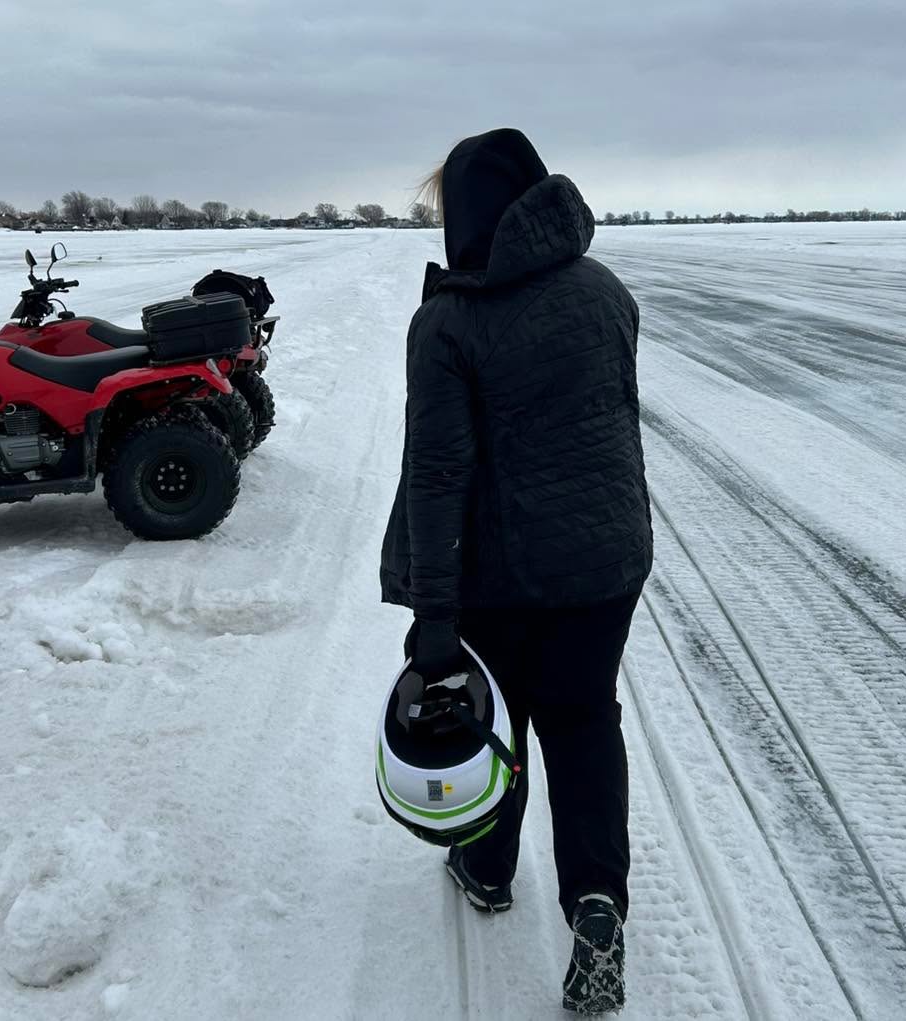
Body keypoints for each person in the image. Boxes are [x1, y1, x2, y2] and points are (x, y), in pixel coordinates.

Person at [380, 127, 652, 1015]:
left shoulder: (449, 321)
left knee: (499, 723)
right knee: (582, 721)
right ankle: (596, 904)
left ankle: (488, 869)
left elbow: (436, 473)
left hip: (501, 571)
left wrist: (432, 609)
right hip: (606, 563)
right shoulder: (604, 291)